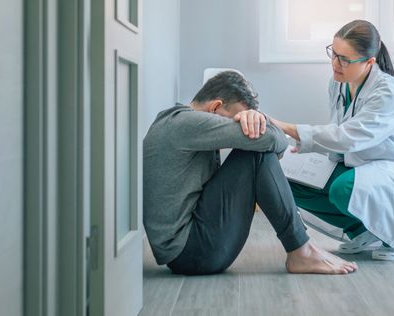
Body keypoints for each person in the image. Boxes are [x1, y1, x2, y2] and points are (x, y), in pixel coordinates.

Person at [143, 71, 358, 275]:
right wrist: (260, 119)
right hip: (192, 252)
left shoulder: (175, 121)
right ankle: (301, 250)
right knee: (255, 154)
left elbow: (279, 142)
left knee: (255, 151)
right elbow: (275, 140)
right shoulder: (186, 123)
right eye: (237, 120)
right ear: (215, 108)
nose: (240, 126)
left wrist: (255, 118)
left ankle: (302, 246)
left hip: (189, 249)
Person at [269, 20, 394, 261]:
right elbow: (339, 135)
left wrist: (288, 128)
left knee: (343, 188)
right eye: (333, 54)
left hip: (390, 169)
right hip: (354, 164)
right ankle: (362, 232)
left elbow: (349, 137)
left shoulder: (387, 92)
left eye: (345, 59)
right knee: (282, 179)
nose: (335, 64)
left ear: (369, 62)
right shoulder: (338, 83)